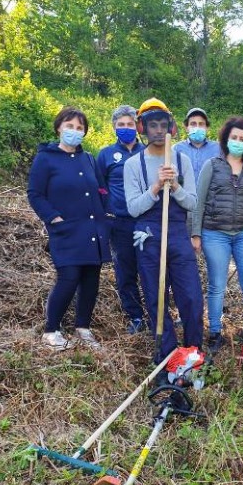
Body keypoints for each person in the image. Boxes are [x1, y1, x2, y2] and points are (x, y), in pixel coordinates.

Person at [123, 98, 202, 361]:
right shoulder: (133, 165)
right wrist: (156, 186)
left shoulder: (183, 161)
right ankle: (167, 355)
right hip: (148, 234)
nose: (158, 130)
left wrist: (176, 186)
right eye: (152, 125)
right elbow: (134, 208)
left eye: (163, 124)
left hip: (178, 232)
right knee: (156, 297)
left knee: (190, 296)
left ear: (171, 128)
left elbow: (192, 202)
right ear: (142, 128)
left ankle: (193, 354)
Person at [27, 106, 111, 350]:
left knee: (91, 279)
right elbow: (35, 193)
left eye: (79, 127)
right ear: (59, 128)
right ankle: (51, 330)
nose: (75, 131)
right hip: (67, 229)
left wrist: (105, 211)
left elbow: (101, 189)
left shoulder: (88, 158)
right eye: (70, 126)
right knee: (69, 277)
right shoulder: (46, 158)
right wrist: (53, 218)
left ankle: (83, 327)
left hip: (93, 228)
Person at [191, 116, 243, 355]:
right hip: (214, 233)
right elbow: (199, 201)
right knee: (217, 285)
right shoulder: (212, 165)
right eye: (234, 137)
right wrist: (196, 233)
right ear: (226, 139)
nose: (238, 142)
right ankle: (215, 332)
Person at [96, 105, 148, 334]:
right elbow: (99, 187)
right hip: (119, 222)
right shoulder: (106, 154)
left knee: (150, 269)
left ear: (137, 126)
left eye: (129, 124)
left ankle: (157, 313)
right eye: (121, 125)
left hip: (146, 221)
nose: (126, 128)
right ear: (114, 127)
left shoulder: (148, 152)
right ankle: (136, 316)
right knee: (125, 271)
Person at [173, 107, 221, 184]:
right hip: (184, 195)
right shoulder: (176, 149)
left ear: (207, 128)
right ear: (186, 127)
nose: (197, 127)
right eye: (193, 124)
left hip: (211, 195)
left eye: (201, 124)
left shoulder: (218, 149)